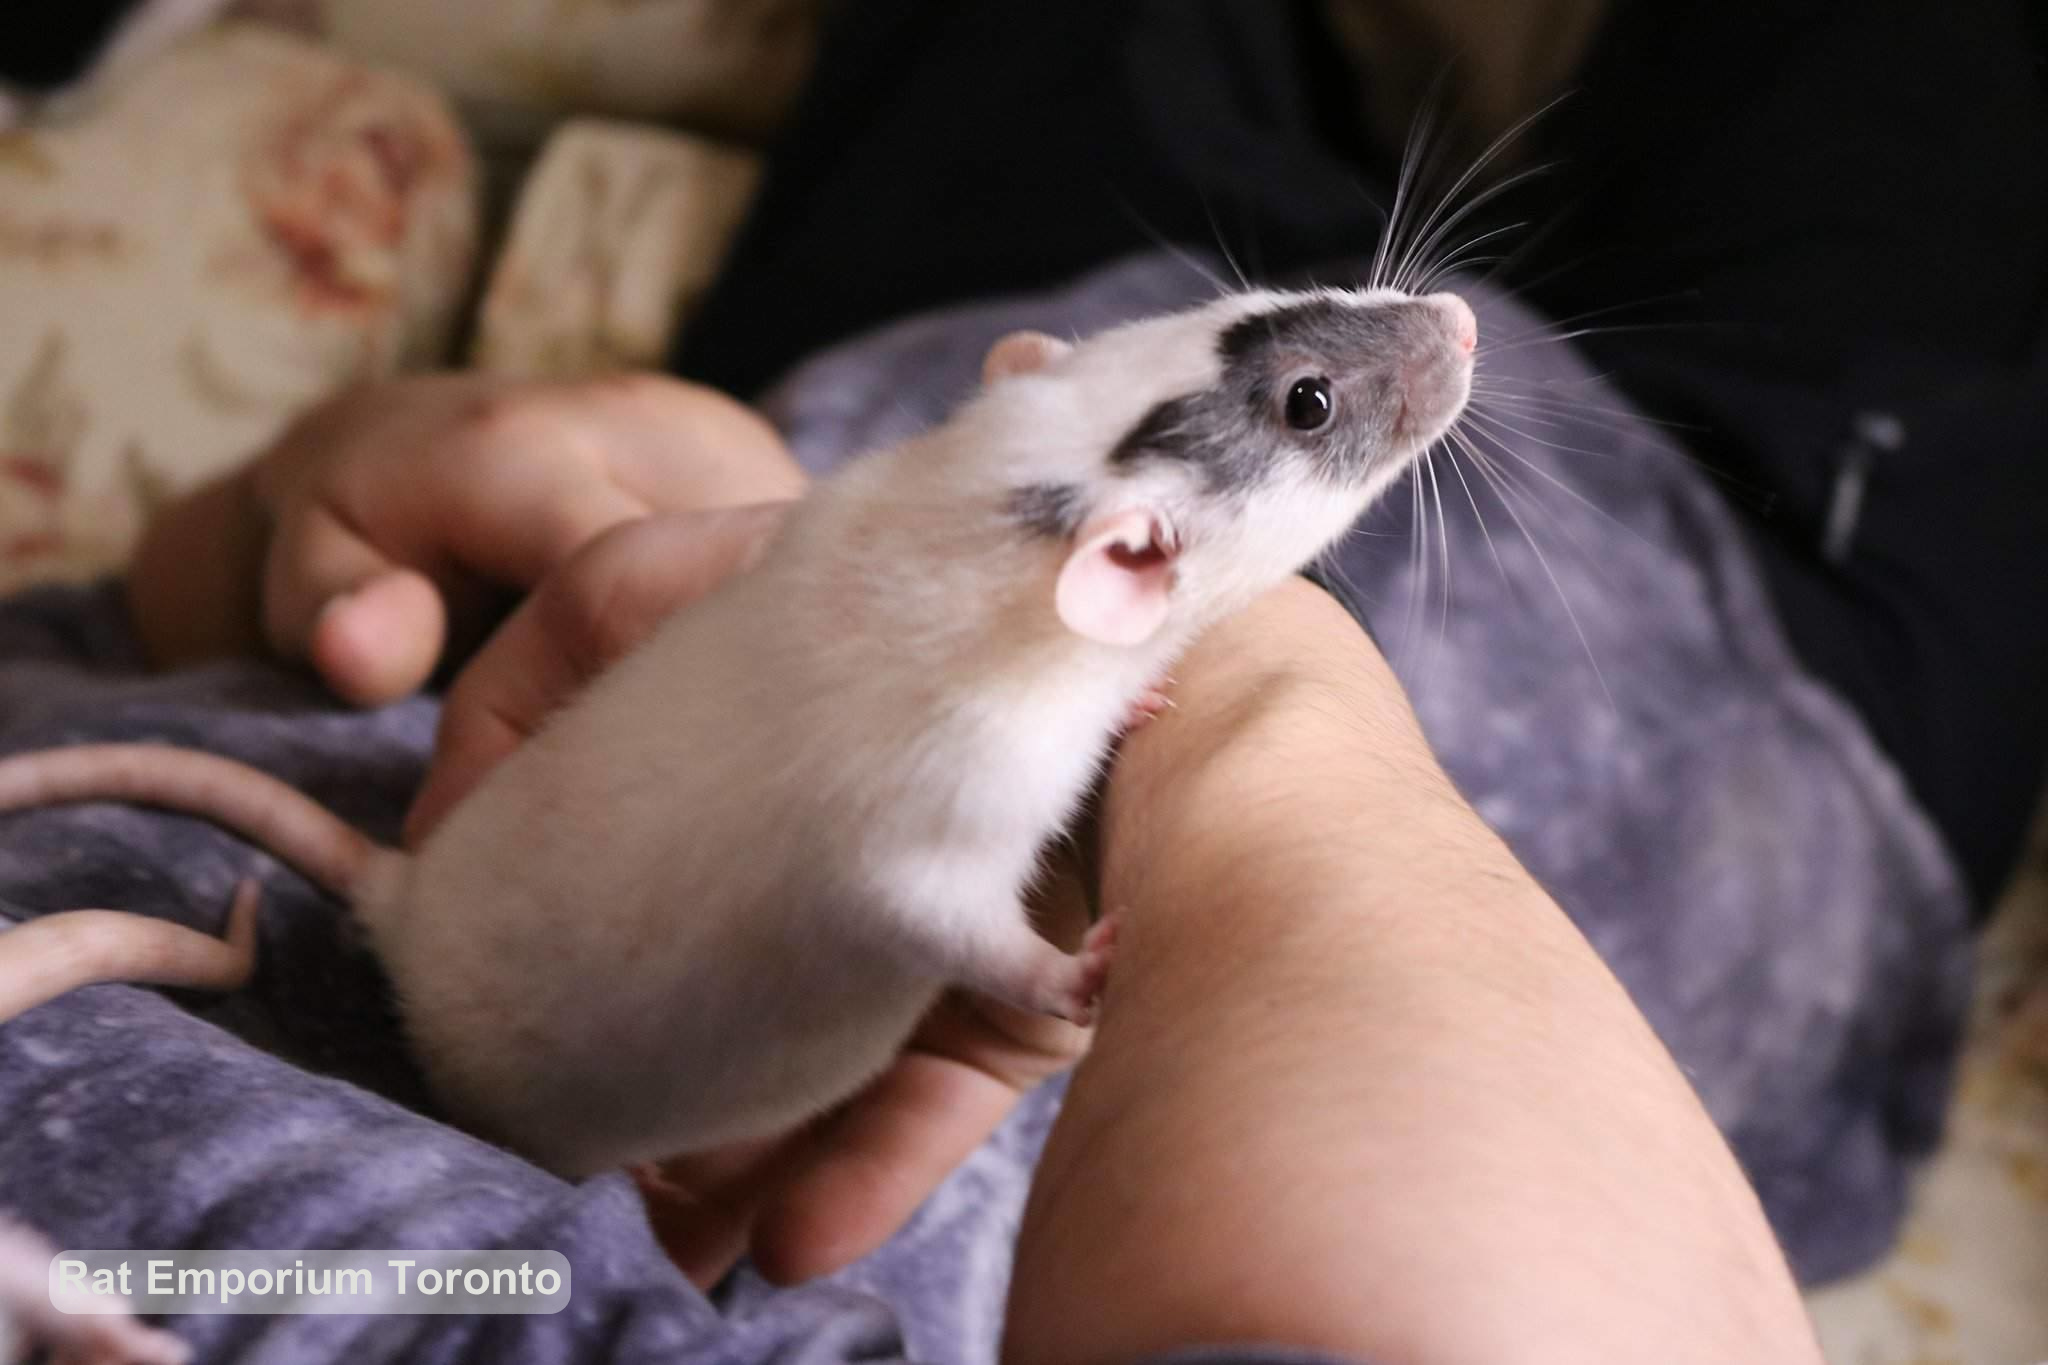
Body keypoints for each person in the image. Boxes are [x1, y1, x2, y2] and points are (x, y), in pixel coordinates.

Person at [124, 365, 1823, 1363]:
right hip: (1783, 603)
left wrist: (331, 480)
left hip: (904, 409)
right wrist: (1248, 686)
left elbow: (165, 600)